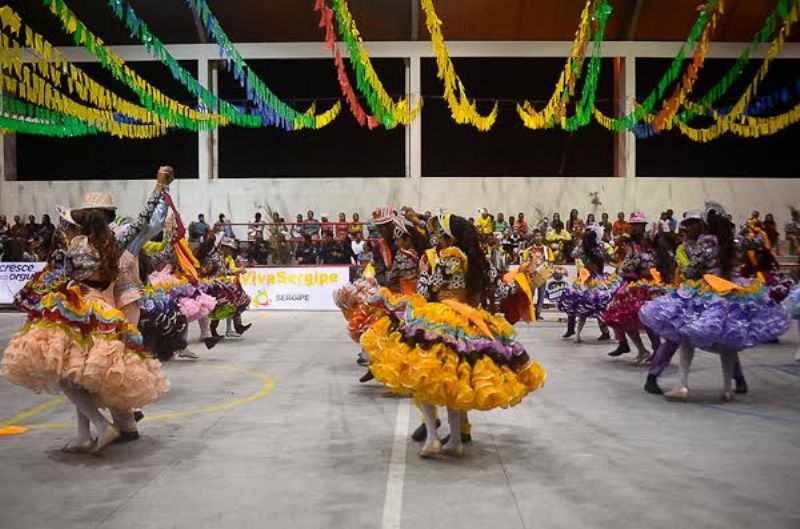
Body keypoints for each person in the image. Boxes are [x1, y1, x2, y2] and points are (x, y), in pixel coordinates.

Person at [1, 175, 172, 452]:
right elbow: (143, 221)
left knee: (66, 375)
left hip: (80, 308)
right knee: (81, 375)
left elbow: (70, 277)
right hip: (107, 311)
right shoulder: (117, 241)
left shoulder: (77, 243)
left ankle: (103, 426)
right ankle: (84, 434)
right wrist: (159, 188)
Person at [360, 212, 546, 458]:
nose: (436, 237)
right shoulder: (480, 261)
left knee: (424, 378)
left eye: (439, 233)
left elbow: (427, 290)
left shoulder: (439, 259)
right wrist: (527, 278)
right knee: (455, 382)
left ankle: (432, 438)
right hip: (470, 320)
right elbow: (502, 289)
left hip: (439, 319)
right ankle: (456, 439)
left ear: (447, 236)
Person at [640, 201, 788, 401]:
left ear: (705, 224)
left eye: (695, 222)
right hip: (733, 290)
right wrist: (750, 231)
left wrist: (686, 270)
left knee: (686, 335)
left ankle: (682, 385)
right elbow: (761, 241)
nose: (689, 227)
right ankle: (728, 388)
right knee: (728, 339)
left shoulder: (707, 242)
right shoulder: (735, 241)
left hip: (708, 290)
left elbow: (692, 269)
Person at [601, 212, 666, 364]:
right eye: (633, 225)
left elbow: (659, 260)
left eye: (638, 225)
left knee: (648, 318)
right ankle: (641, 349)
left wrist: (649, 270)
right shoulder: (627, 243)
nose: (635, 228)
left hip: (650, 284)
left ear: (643, 226)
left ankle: (657, 349)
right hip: (631, 283)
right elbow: (624, 266)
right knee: (622, 317)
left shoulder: (651, 242)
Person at [558, 225, 615, 343]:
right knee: (599, 305)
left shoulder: (585, 248)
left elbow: (573, 254)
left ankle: (574, 331)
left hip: (588, 278)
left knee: (577, 302)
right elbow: (610, 256)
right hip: (594, 277)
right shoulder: (600, 247)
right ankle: (604, 331)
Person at [521, 228, 554, 321]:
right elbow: (524, 262)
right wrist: (528, 270)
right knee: (530, 295)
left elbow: (551, 262)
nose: (538, 237)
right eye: (536, 236)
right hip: (531, 275)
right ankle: (530, 312)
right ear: (534, 238)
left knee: (541, 295)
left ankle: (538, 313)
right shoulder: (529, 250)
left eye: (540, 236)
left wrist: (549, 272)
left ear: (543, 237)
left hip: (542, 275)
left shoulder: (547, 250)